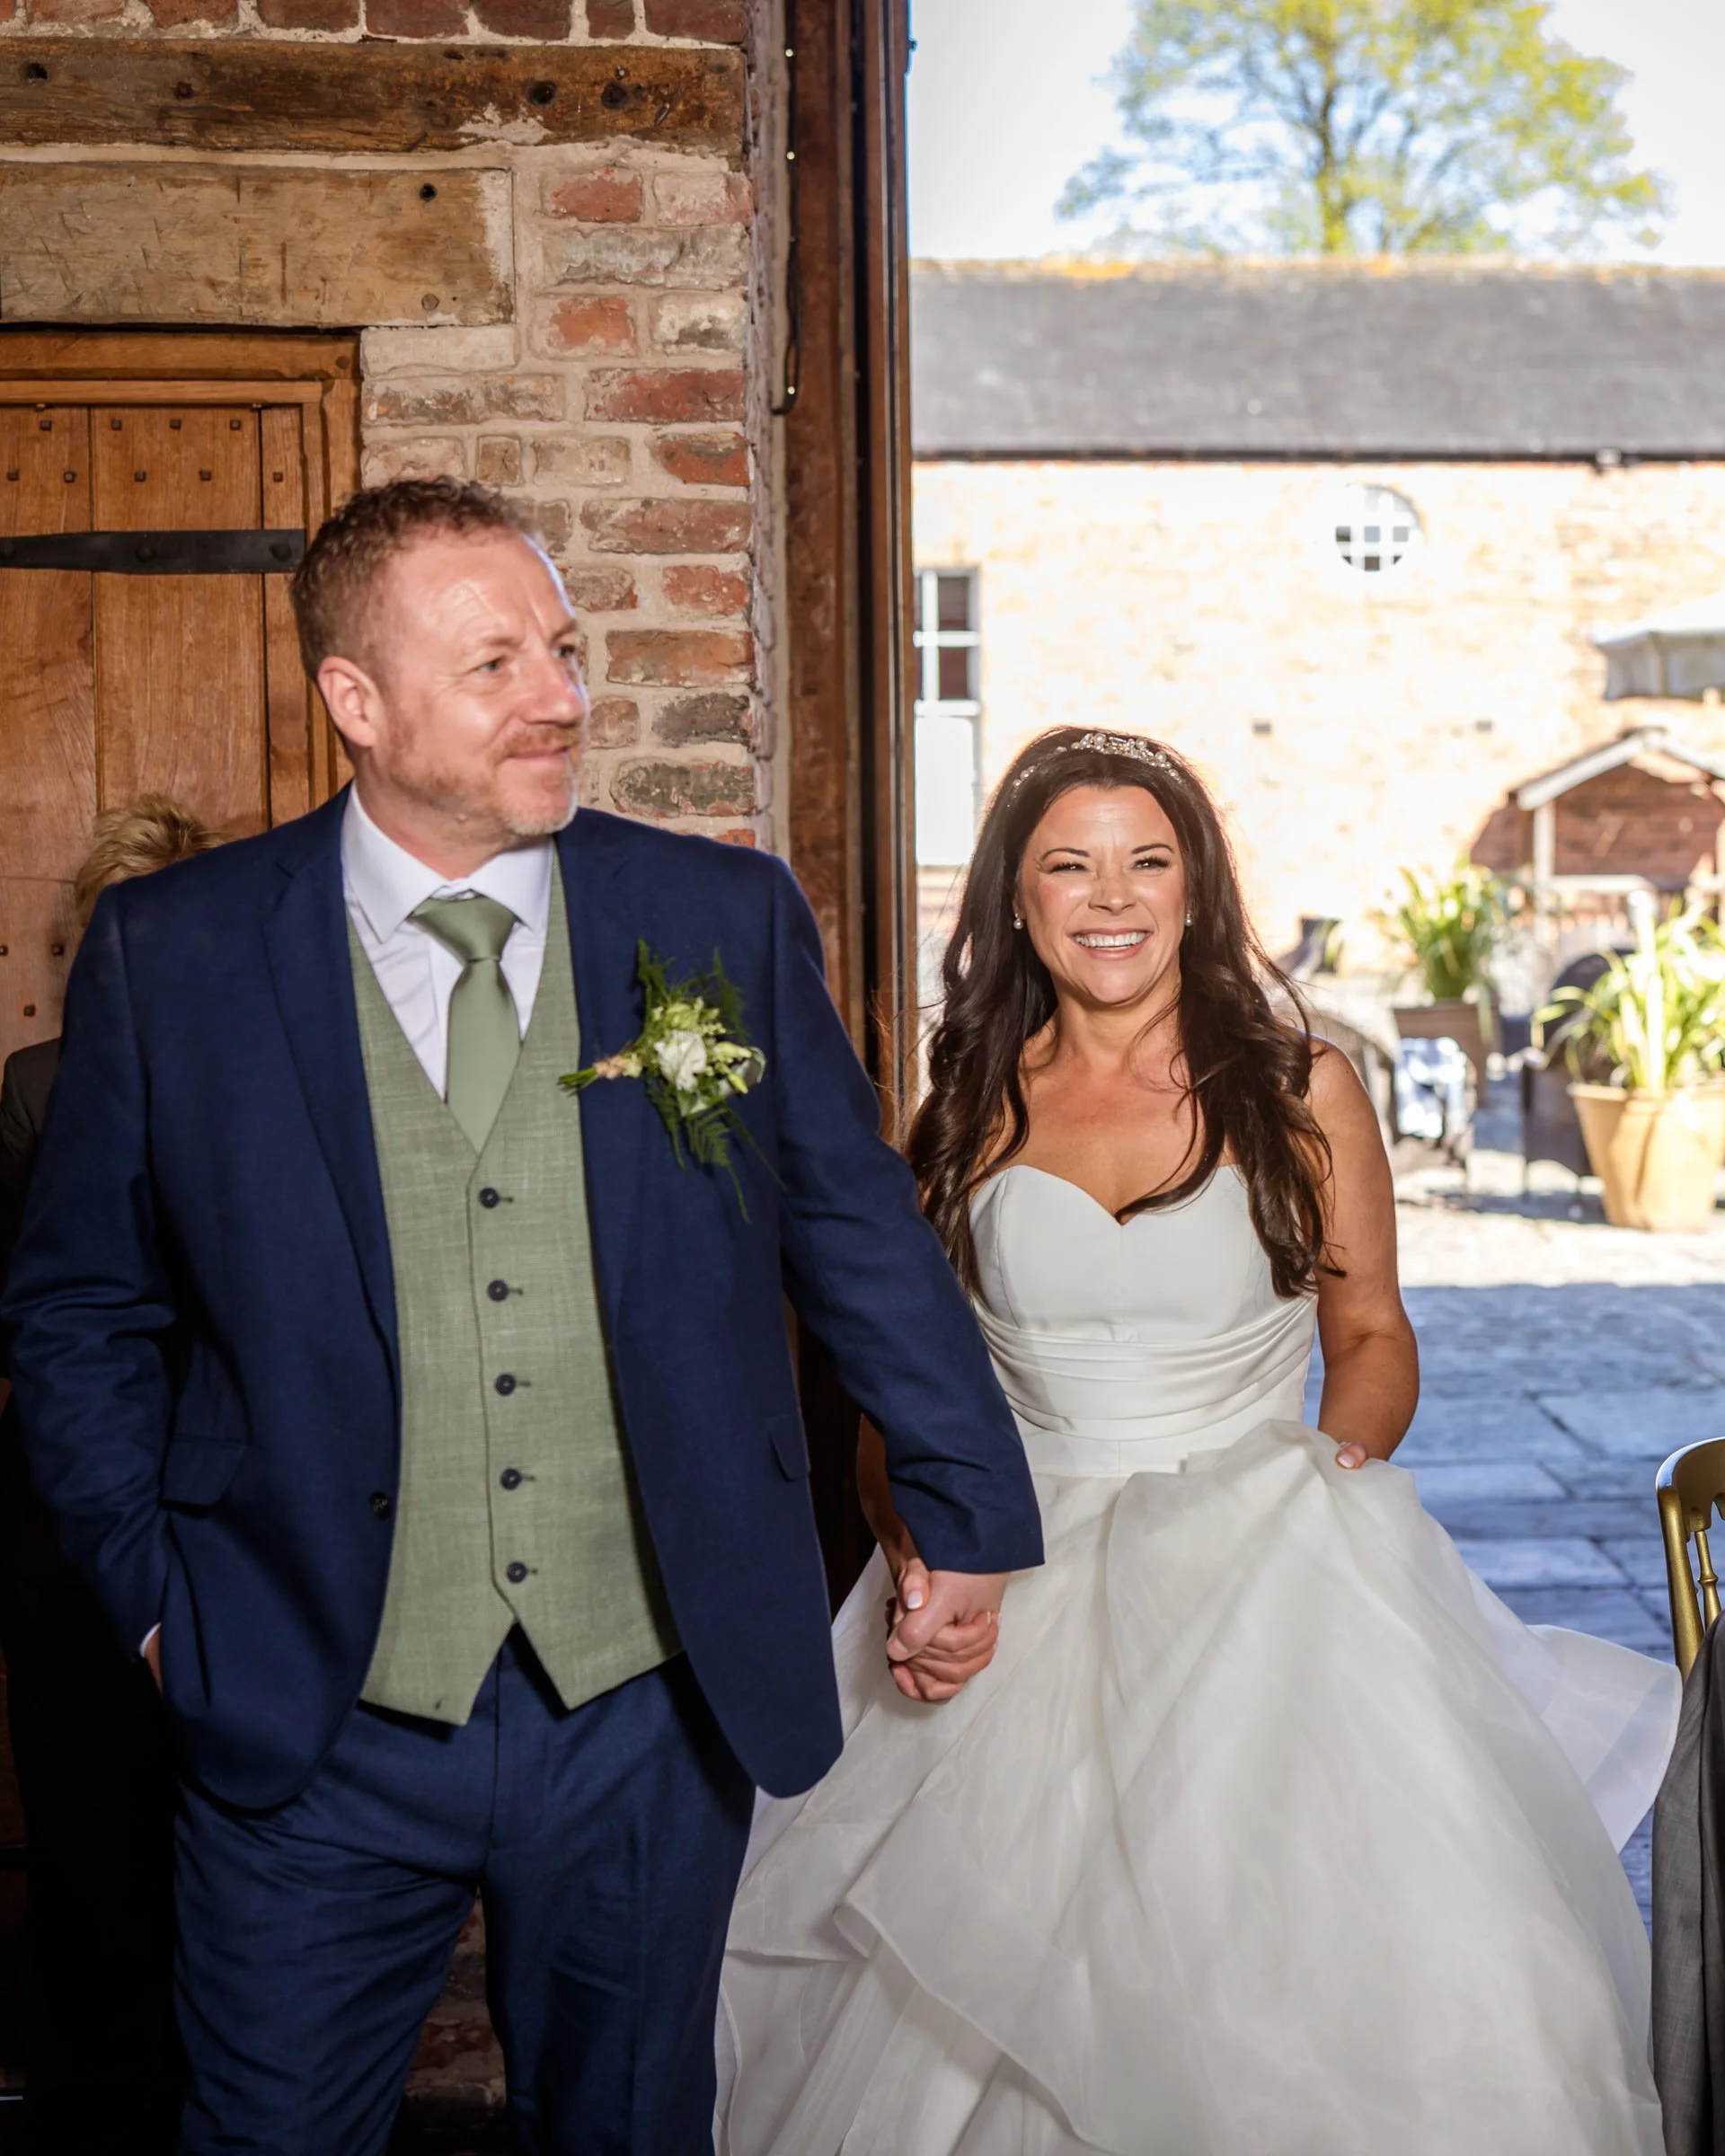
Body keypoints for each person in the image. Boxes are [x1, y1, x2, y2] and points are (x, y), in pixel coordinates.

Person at [1, 478, 1045, 2156]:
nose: (561, 694)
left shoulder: (718, 917)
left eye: (561, 649)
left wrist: (971, 1508)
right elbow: (78, 1314)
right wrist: (153, 1603)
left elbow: (858, 1232)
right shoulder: (175, 953)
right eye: (495, 664)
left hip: (645, 1699)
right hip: (302, 1702)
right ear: (358, 701)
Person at [720, 727, 1680, 2156]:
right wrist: (923, 1550)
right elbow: (898, 1394)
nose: (1111, 898)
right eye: (1070, 865)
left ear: (1194, 888)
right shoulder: (965, 1108)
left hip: (1269, 1565)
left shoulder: (1305, 1089)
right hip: (1014, 1570)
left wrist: (1324, 1483)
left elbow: (1371, 1341)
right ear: (1017, 897)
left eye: (1146, 862)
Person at [0, 795, 225, 2156]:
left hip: (233, 1505)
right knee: (86, 1835)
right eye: (102, 932)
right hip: (61, 1517)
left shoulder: (281, 1082)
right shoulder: (34, 1087)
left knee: (234, 1838)